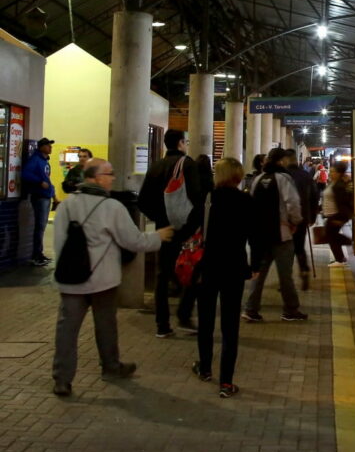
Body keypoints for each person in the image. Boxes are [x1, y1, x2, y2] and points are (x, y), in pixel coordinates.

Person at [51, 158, 174, 397]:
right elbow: (134, 241)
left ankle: (62, 380)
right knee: (106, 326)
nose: (113, 178)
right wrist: (158, 236)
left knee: (66, 331)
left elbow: (59, 243)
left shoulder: (66, 206)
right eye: (109, 174)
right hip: (102, 280)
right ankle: (111, 367)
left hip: (70, 280)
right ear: (95, 178)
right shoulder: (112, 208)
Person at [175, 157, 257, 398]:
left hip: (208, 267)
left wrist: (170, 239)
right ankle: (226, 382)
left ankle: (205, 368)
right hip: (234, 268)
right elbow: (254, 235)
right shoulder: (246, 201)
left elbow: (189, 228)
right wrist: (255, 264)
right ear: (238, 176)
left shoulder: (208, 201)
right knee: (230, 327)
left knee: (206, 321)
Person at [138, 129, 201, 338]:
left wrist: (160, 220)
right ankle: (184, 316)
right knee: (192, 271)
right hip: (186, 231)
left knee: (163, 276)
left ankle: (162, 325)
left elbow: (142, 201)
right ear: (181, 143)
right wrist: (192, 227)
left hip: (164, 231)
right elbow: (197, 199)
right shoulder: (187, 164)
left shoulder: (155, 166)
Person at [243, 148, 307, 322]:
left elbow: (252, 204)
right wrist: (296, 221)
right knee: (285, 275)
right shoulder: (284, 179)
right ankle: (291, 310)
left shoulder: (257, 179)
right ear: (281, 161)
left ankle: (251, 309)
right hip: (281, 234)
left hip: (261, 235)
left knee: (259, 273)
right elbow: (292, 203)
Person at [283, 148, 318, 290]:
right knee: (299, 246)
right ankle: (304, 269)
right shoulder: (305, 175)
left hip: (284, 219)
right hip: (302, 217)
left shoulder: (283, 176)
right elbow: (315, 196)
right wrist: (312, 216)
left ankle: (286, 278)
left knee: (286, 248)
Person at [23, 137, 57, 266]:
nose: (50, 147)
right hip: (39, 197)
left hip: (46, 196)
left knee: (41, 227)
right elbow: (25, 174)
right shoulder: (36, 160)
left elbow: (47, 180)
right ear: (41, 147)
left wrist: (54, 196)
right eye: (48, 145)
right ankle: (36, 255)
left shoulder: (44, 162)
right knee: (40, 227)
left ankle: (39, 253)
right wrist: (39, 182)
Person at [322, 161, 354, 267]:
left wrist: (341, 218)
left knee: (330, 236)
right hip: (332, 214)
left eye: (333, 172)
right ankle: (341, 259)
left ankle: (341, 257)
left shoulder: (339, 185)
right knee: (332, 236)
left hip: (336, 215)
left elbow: (343, 203)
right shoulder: (333, 183)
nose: (331, 173)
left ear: (339, 173)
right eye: (330, 171)